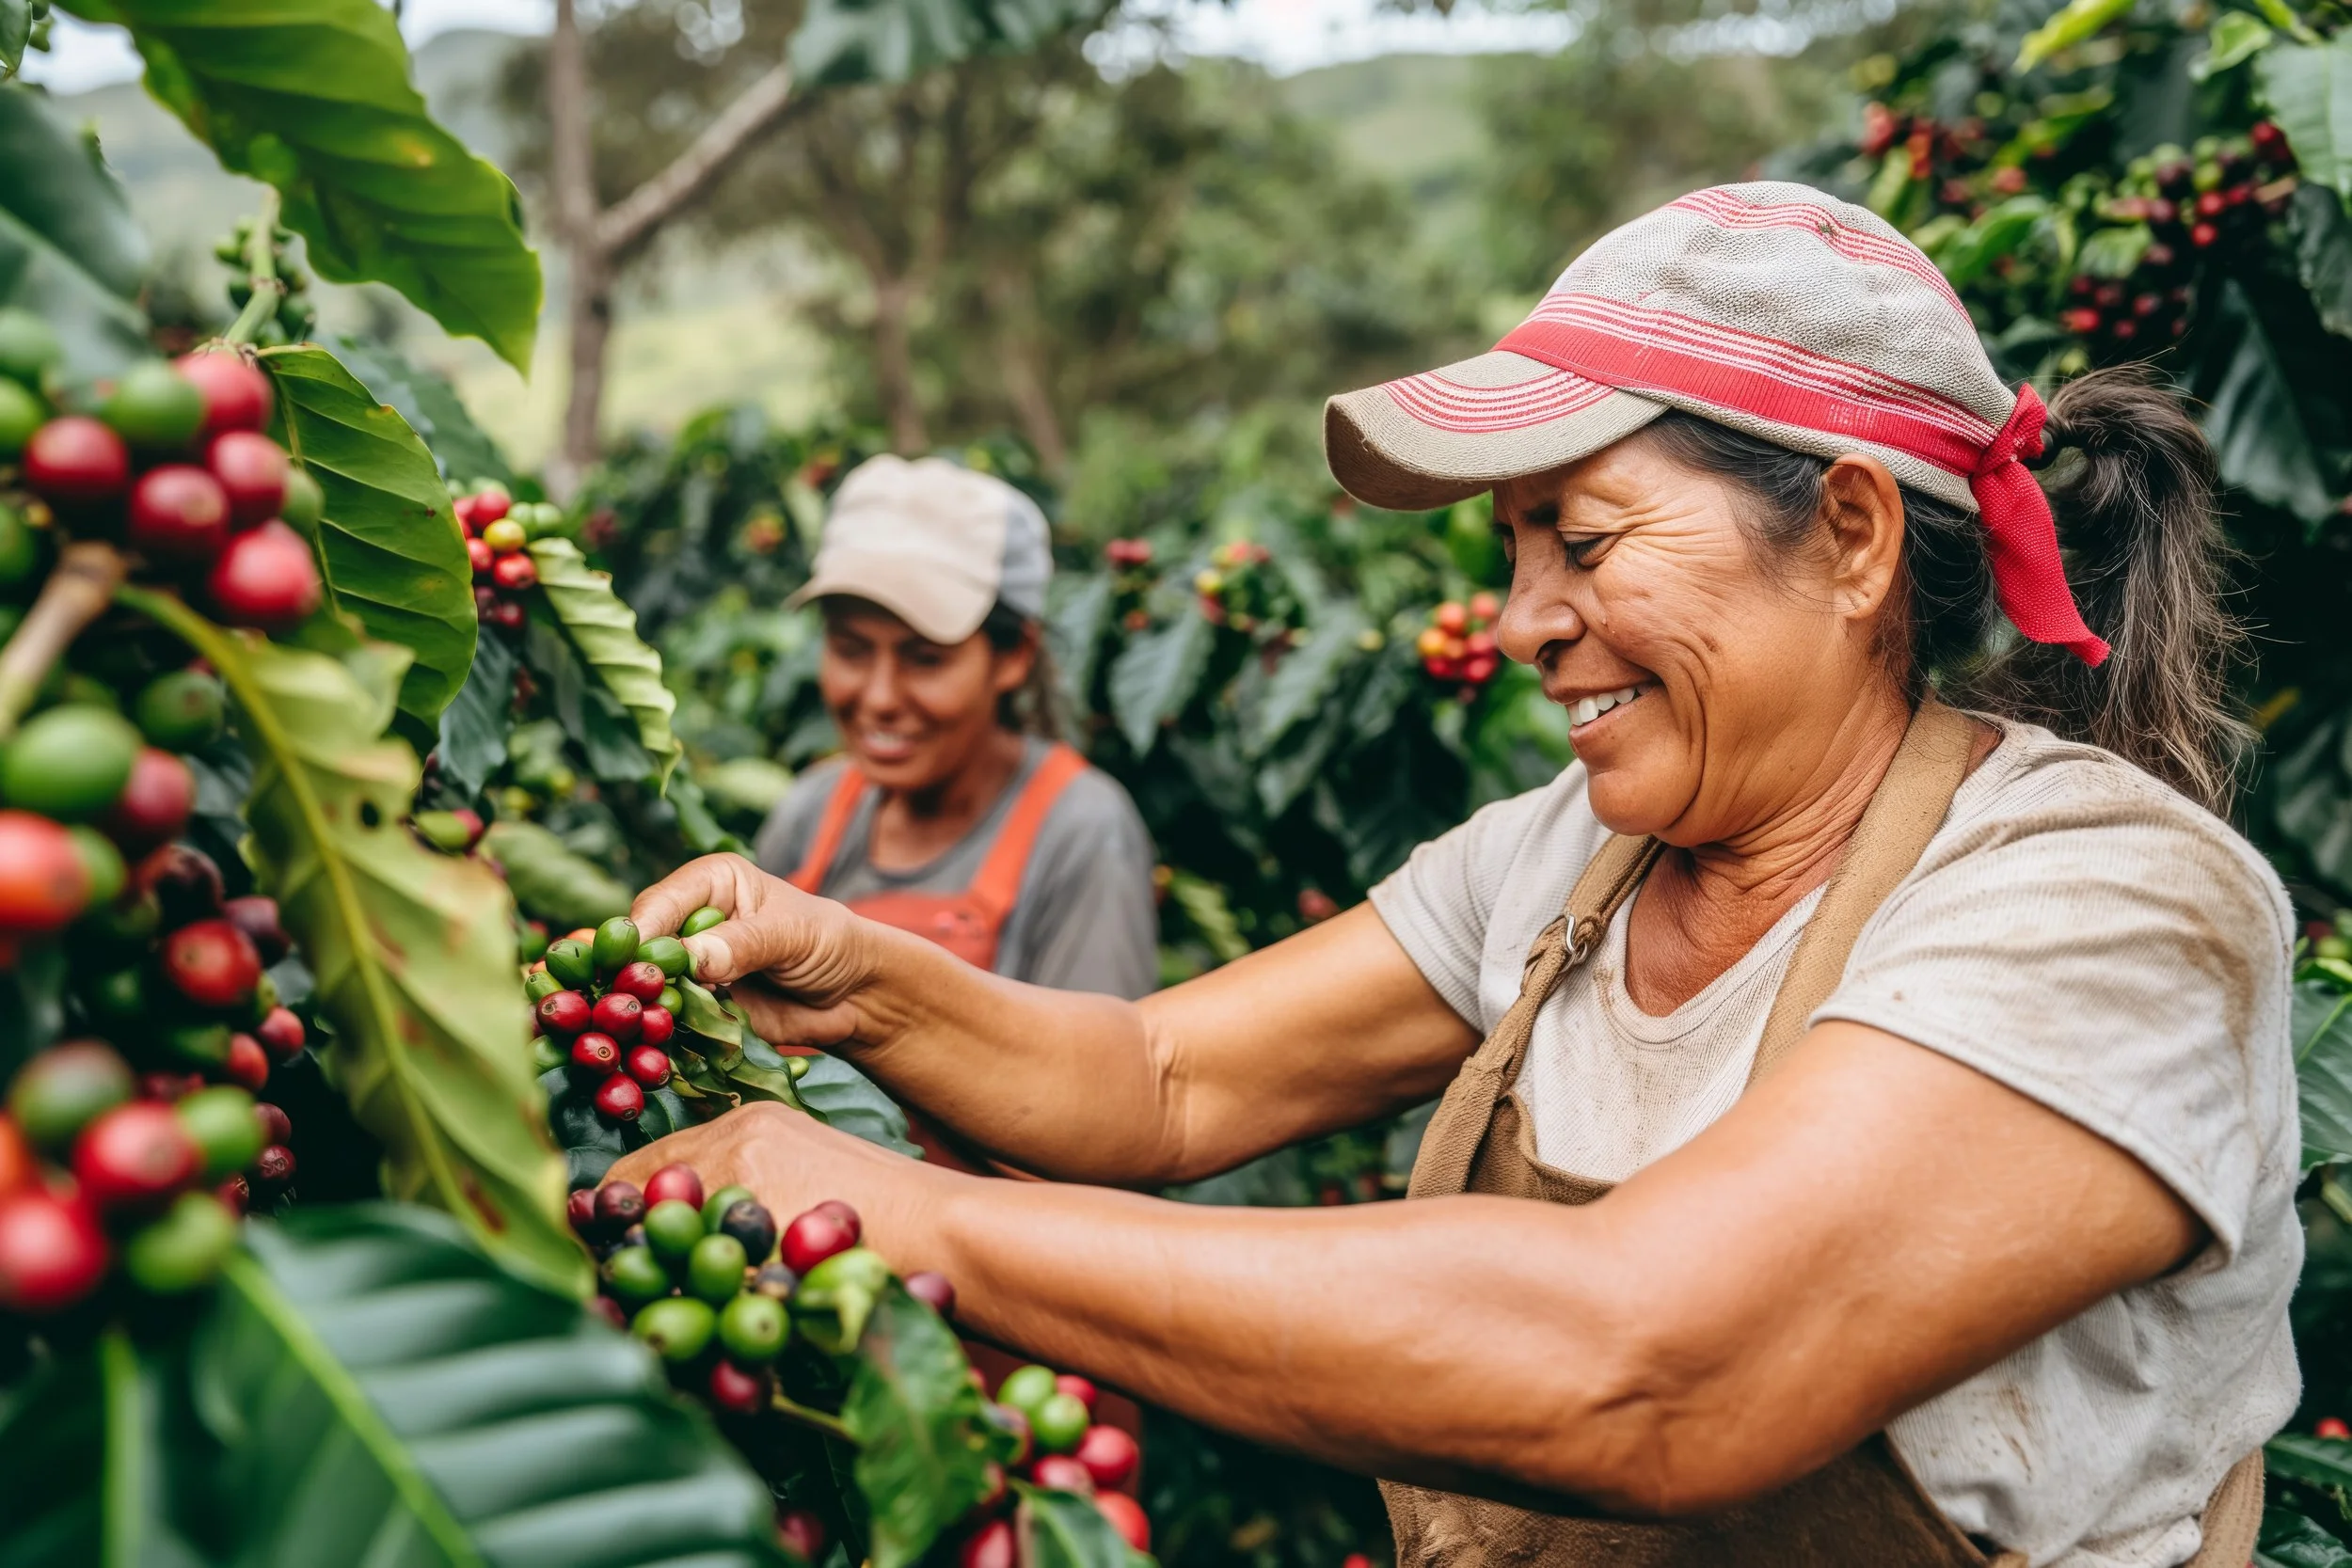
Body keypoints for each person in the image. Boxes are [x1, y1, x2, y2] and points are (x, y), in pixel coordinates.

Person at [612, 184, 2297, 1568]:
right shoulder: (1572, 857)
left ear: (1852, 536)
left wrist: (900, 1209)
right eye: (1510, 549)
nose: (1520, 620)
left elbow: (1653, 1360)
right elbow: (1164, 1075)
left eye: (1585, 535)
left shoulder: (2110, 901)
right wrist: (850, 970)